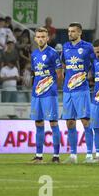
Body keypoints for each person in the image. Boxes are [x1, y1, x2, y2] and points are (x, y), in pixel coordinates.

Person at [61, 22, 95, 164]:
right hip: (68, 90)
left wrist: (92, 78)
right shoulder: (65, 47)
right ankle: (73, 155)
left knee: (85, 121)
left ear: (80, 32)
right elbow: (63, 64)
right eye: (69, 31)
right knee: (69, 122)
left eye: (73, 31)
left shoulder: (88, 47)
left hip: (81, 90)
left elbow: (96, 63)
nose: (70, 34)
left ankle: (89, 155)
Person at [30, 27, 63, 163]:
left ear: (47, 38)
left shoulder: (53, 53)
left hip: (49, 94)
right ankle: (39, 156)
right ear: (35, 38)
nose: (41, 39)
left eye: (43, 36)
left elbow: (59, 74)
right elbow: (35, 73)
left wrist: (52, 86)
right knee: (38, 123)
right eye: (38, 37)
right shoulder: (34, 54)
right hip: (36, 93)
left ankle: (56, 156)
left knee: (53, 122)